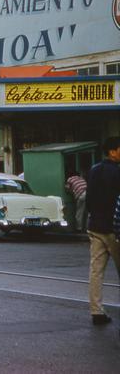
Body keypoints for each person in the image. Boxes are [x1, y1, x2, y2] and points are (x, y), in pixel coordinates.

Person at [86, 136, 120, 326]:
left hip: (95, 226)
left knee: (96, 271)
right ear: (113, 151)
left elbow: (88, 199)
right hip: (114, 229)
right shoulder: (117, 172)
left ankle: (96, 311)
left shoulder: (93, 170)